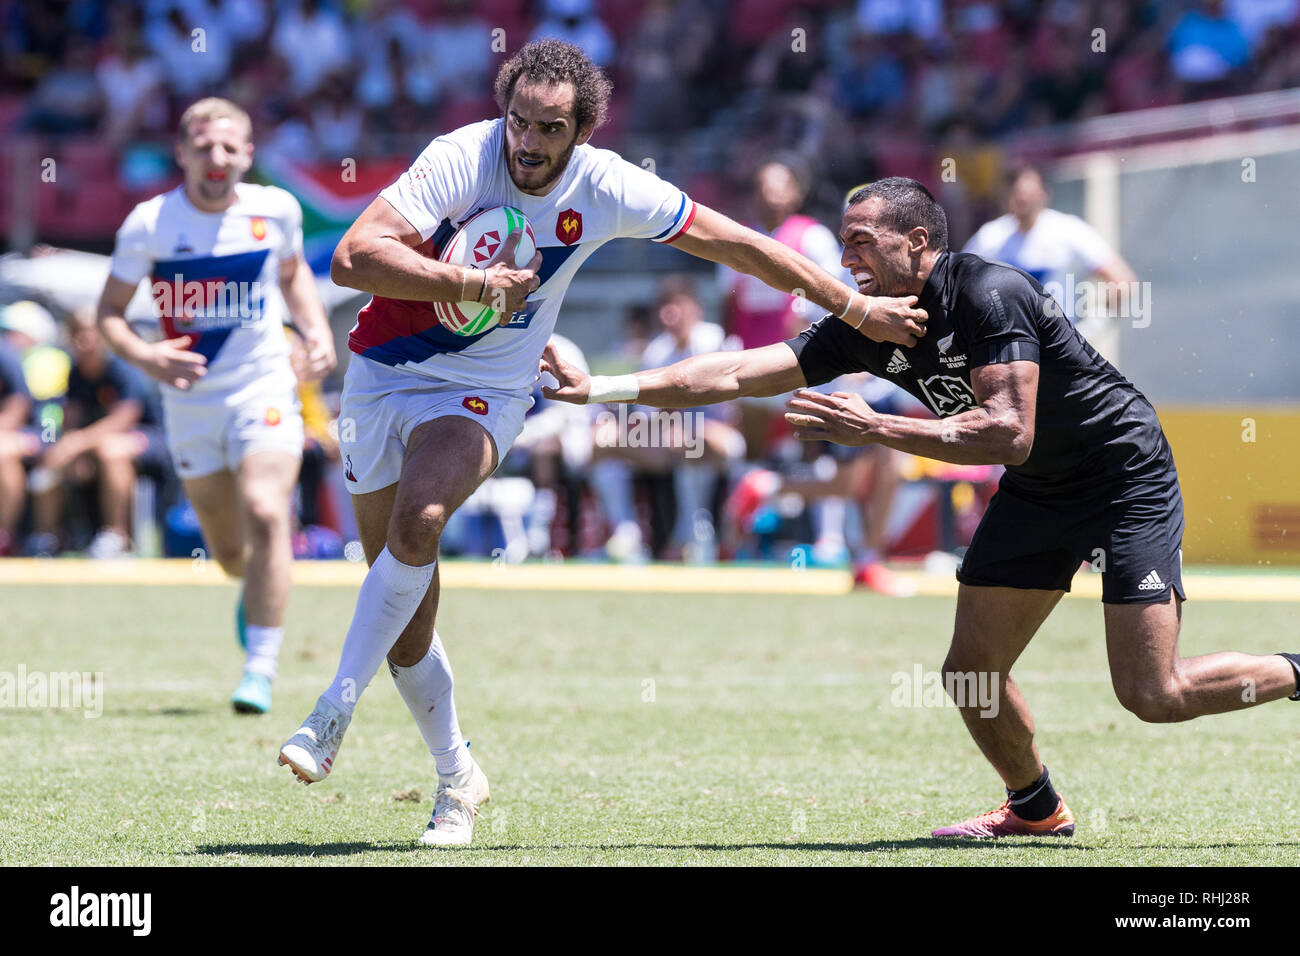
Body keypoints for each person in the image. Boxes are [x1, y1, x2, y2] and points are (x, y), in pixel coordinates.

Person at [276, 39, 927, 848]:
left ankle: (331, 709)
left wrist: (855, 311)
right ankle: (458, 778)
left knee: (421, 520)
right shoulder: (460, 156)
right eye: (519, 120)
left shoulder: (608, 184)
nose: (527, 141)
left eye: (549, 128)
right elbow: (352, 257)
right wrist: (473, 284)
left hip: (486, 391)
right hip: (379, 377)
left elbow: (740, 245)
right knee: (402, 613)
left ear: (580, 131)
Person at [541, 176, 1300, 839]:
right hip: (1041, 489)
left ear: (916, 241)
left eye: (862, 243)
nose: (847, 262)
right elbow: (739, 370)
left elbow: (1007, 431)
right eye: (844, 244)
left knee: (1150, 693)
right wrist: (603, 389)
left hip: (1121, 474)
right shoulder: (865, 321)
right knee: (971, 671)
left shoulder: (988, 292)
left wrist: (876, 427)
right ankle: (1035, 809)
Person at [96, 97, 336, 715]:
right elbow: (109, 317)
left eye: (231, 147)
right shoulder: (148, 224)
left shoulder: (274, 208)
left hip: (263, 387)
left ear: (249, 155)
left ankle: (260, 667)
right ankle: (251, 587)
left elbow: (292, 277)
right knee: (231, 554)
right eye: (205, 146)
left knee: (266, 510)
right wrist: (149, 359)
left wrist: (317, 333)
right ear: (182, 153)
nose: (218, 158)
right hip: (189, 405)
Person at [27, 308, 167, 559]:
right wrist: (70, 449)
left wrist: (77, 444)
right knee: (55, 456)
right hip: (94, 444)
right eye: (79, 335)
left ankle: (117, 537)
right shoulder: (76, 373)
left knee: (111, 451)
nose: (86, 342)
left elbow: (124, 419)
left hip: (149, 440)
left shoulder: (122, 368)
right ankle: (49, 537)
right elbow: (72, 419)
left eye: (91, 335)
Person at [963, 163, 1136, 360]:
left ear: (1045, 193)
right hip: (1006, 351)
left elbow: (1122, 280)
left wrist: (1093, 326)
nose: (1022, 198)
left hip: (1059, 351)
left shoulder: (1068, 231)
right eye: (1017, 191)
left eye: (1029, 191)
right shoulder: (991, 237)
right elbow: (958, 286)